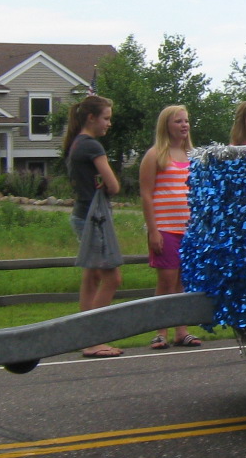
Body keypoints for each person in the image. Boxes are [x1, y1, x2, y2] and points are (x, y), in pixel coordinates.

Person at [63, 95, 124, 357]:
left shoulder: (76, 143)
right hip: (94, 219)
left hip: (80, 214)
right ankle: (93, 340)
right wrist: (105, 182)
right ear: (91, 118)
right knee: (113, 277)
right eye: (106, 118)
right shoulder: (92, 146)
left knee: (91, 277)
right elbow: (114, 186)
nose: (108, 124)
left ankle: (83, 336)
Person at [138, 105, 203, 349]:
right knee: (166, 279)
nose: (184, 126)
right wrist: (153, 230)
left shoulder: (193, 156)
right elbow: (146, 194)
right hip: (165, 226)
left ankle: (181, 330)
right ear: (167, 125)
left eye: (186, 121)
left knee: (183, 280)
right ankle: (160, 331)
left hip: (189, 228)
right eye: (178, 122)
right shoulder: (155, 155)